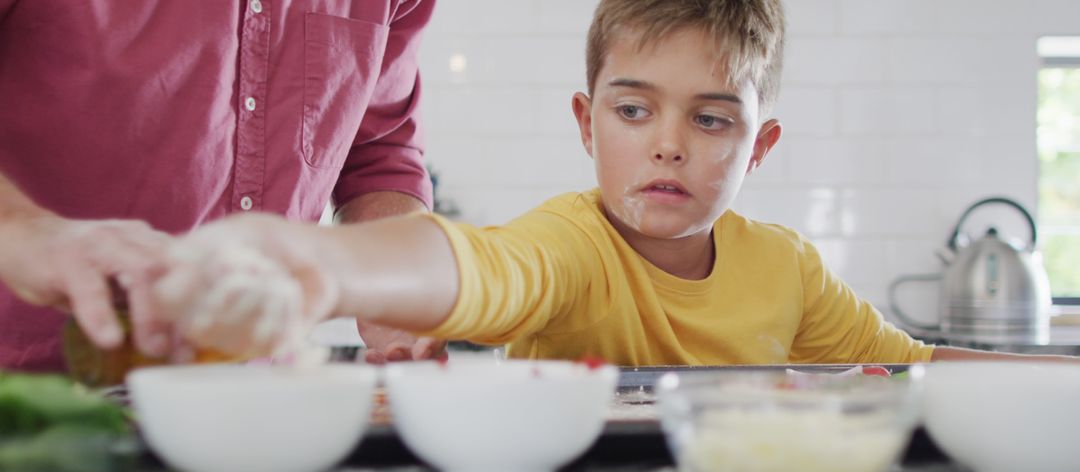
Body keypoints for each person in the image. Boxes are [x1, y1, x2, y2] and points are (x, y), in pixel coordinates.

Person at [145, 0, 1070, 366]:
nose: (668, 146)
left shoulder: (788, 268)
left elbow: (912, 368)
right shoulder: (572, 242)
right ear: (587, 124)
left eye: (711, 120)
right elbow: (481, 269)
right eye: (635, 112)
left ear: (762, 145)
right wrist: (328, 267)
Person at [0, 0, 442, 371]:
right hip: (27, 385)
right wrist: (20, 228)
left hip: (250, 394)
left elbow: (379, 153)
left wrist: (397, 286)